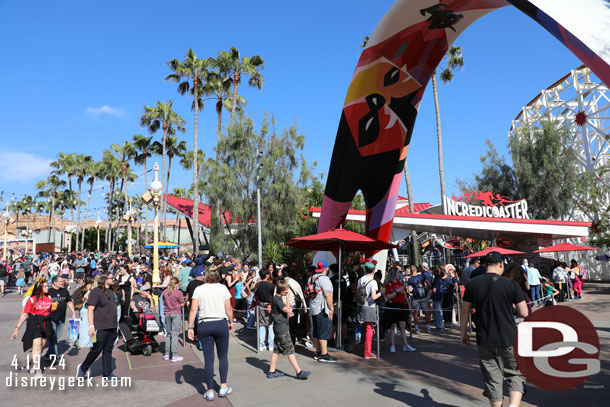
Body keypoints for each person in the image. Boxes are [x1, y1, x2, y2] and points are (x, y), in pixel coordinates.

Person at [460, 252, 528, 407]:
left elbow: (465, 311)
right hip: (508, 337)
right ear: (501, 264)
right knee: (515, 373)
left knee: (492, 378)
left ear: (484, 265)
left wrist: (463, 333)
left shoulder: (472, 284)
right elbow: (524, 312)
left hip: (485, 338)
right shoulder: (511, 284)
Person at [187, 269, 233, 401]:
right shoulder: (223, 288)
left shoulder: (199, 289)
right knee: (223, 356)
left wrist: (190, 326)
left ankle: (210, 390)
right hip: (220, 322)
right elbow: (228, 308)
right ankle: (223, 386)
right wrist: (230, 321)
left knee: (208, 359)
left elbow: (194, 309)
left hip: (205, 323)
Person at [77, 272, 120, 379]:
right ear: (105, 280)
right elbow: (90, 309)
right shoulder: (96, 292)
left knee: (108, 350)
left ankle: (108, 373)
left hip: (112, 326)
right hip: (100, 327)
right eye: (111, 277)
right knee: (96, 350)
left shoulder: (111, 291)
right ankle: (83, 368)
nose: (113, 279)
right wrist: (91, 326)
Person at [266, 279, 311, 380]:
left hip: (279, 327)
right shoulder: (277, 299)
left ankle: (271, 371)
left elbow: (284, 312)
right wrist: (288, 299)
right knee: (290, 350)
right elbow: (287, 309)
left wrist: (288, 313)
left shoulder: (276, 299)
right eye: (286, 291)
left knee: (276, 351)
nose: (287, 292)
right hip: (282, 329)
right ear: (281, 291)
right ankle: (299, 372)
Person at [11, 280, 53, 379]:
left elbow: (50, 311)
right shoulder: (31, 300)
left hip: (46, 323)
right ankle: (38, 370)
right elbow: (25, 314)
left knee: (42, 345)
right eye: (45, 286)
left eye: (48, 286)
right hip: (34, 323)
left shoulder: (49, 298)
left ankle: (34, 364)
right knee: (37, 345)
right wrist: (17, 328)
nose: (47, 288)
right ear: (40, 288)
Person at [308, 260, 336, 363]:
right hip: (322, 308)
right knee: (324, 330)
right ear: (326, 268)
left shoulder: (311, 277)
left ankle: (317, 352)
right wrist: (331, 308)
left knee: (316, 330)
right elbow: (327, 295)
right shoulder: (324, 279)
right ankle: (324, 354)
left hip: (314, 307)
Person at [383, 267, 415, 353]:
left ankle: (406, 345)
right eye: (398, 272)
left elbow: (404, 295)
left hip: (402, 306)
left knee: (403, 325)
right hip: (393, 306)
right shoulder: (388, 284)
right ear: (393, 274)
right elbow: (388, 297)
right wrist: (397, 291)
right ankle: (392, 345)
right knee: (393, 326)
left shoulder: (401, 283)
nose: (399, 274)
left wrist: (408, 305)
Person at [45, 275, 75, 359]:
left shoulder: (65, 291)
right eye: (61, 281)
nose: (63, 283)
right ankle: (55, 355)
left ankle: (48, 354)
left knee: (57, 337)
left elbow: (69, 302)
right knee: (54, 336)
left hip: (61, 317)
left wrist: (73, 313)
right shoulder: (49, 291)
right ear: (54, 282)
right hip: (51, 317)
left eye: (63, 281)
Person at [357, 262, 382, 359]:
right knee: (369, 328)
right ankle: (367, 352)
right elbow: (374, 297)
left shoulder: (360, 279)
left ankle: (366, 348)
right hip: (369, 306)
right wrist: (381, 293)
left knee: (364, 326)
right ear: (373, 270)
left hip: (361, 305)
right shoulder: (373, 282)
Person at [162, 277, 185, 362]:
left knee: (168, 334)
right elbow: (182, 304)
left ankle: (167, 354)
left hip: (167, 313)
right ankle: (174, 355)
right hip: (175, 313)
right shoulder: (178, 292)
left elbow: (163, 303)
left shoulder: (164, 292)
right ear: (176, 284)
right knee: (175, 334)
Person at [254, 268, 276, 351]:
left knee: (262, 325)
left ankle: (261, 344)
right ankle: (271, 345)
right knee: (270, 325)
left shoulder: (258, 285)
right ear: (267, 275)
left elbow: (256, 294)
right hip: (270, 305)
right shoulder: (271, 286)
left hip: (261, 305)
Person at [407, 265, 431, 333]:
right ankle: (428, 328)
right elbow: (428, 283)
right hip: (424, 296)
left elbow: (408, 290)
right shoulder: (421, 277)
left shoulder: (410, 279)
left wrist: (413, 291)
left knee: (416, 313)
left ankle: (417, 328)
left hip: (415, 298)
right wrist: (427, 290)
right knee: (426, 312)